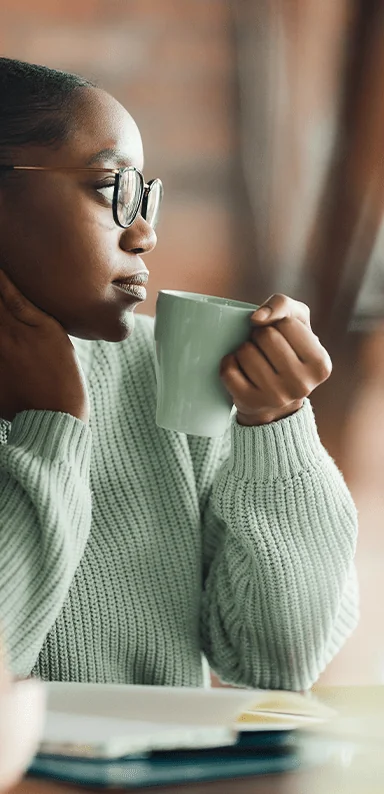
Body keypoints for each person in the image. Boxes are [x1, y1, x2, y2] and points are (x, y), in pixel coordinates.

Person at [0, 57, 358, 691]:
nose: (144, 234)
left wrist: (276, 430)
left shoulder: (158, 367)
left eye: (145, 197)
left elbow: (276, 662)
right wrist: (49, 427)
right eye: (111, 187)